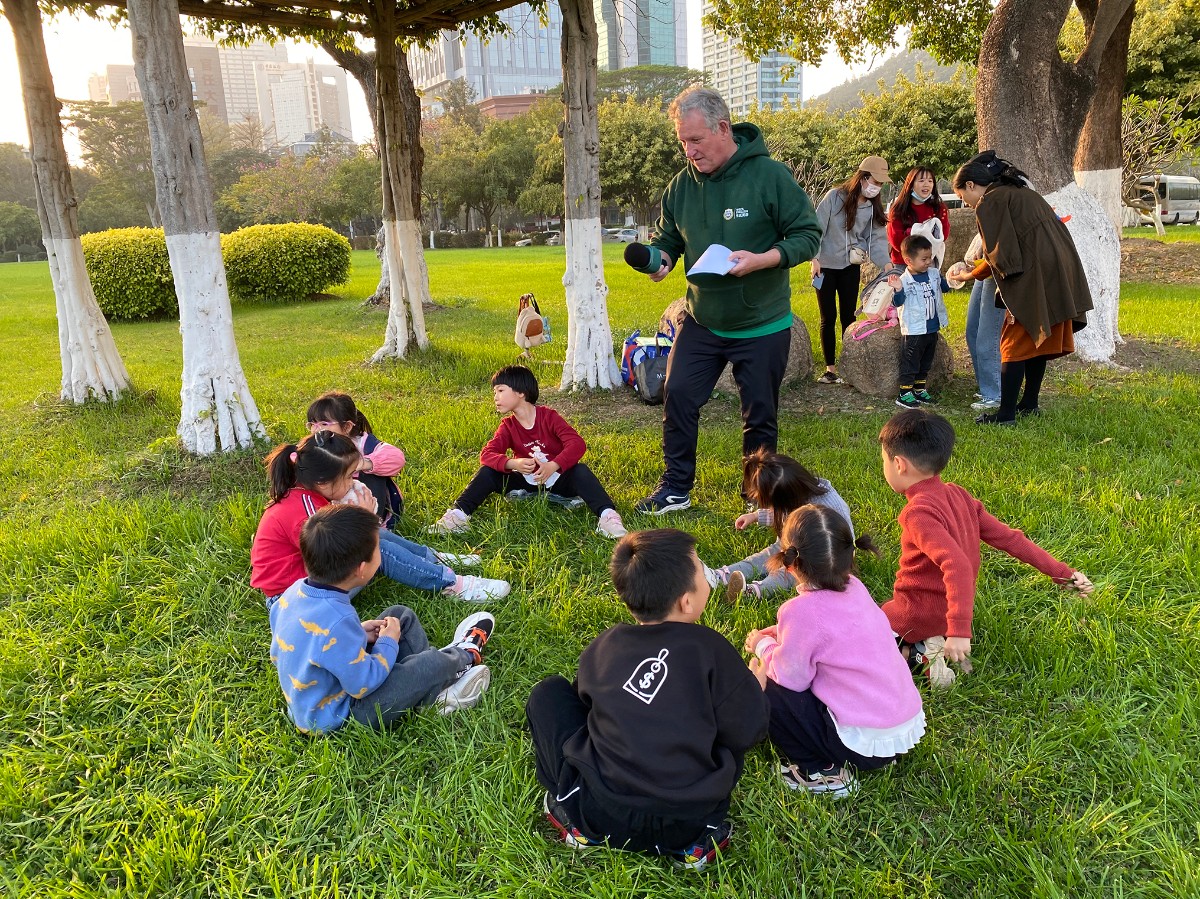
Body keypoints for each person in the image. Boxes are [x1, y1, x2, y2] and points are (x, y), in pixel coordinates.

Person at [525, 529, 769, 871]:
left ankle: (576, 821)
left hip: (600, 809)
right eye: (702, 571)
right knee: (728, 724)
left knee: (547, 693)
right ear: (687, 600)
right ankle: (696, 847)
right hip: (688, 821)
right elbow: (748, 731)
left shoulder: (605, 646)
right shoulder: (711, 649)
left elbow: (584, 705)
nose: (708, 577)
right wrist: (753, 692)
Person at [635, 86, 822, 515]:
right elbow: (668, 240)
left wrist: (763, 260)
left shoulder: (771, 176)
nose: (689, 151)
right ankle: (676, 488)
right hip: (702, 318)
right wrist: (660, 260)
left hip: (763, 323)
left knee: (759, 413)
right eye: (682, 141)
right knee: (678, 395)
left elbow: (807, 236)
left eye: (695, 140)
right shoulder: (680, 186)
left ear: (723, 128)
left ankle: (759, 496)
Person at [878, 409, 1095, 686]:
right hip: (946, 611)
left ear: (899, 464)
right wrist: (1064, 573)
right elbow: (1011, 539)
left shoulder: (917, 513)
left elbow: (956, 564)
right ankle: (929, 643)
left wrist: (959, 631)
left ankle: (919, 655)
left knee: (872, 627)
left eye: (883, 460)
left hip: (917, 611)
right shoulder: (958, 495)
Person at [744, 505, 924, 797]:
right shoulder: (855, 587)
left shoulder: (799, 611)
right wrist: (780, 634)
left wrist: (763, 646)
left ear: (790, 563)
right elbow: (830, 632)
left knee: (770, 689)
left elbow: (792, 679)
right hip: (899, 730)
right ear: (850, 555)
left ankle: (819, 771)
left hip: (861, 744)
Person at [269, 505, 496, 731]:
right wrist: (386, 643)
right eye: (379, 547)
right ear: (361, 569)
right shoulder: (337, 620)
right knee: (429, 663)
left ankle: (431, 691)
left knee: (399, 616)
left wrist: (357, 633)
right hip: (345, 715)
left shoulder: (294, 592)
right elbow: (362, 684)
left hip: (323, 694)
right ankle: (464, 656)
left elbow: (309, 641)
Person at [250, 431, 510, 606]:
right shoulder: (302, 511)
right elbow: (337, 557)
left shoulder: (306, 495)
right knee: (377, 547)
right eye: (350, 475)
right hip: (291, 601)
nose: (355, 480)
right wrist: (363, 519)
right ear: (323, 481)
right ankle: (452, 584)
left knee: (378, 536)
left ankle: (432, 558)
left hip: (306, 584)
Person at [948, 151, 1093, 425]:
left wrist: (971, 275)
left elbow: (1002, 256)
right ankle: (1029, 403)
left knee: (1012, 344)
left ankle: (1005, 415)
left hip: (1035, 273)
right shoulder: (1021, 192)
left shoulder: (991, 201)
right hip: (1060, 270)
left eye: (961, 196)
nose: (964, 203)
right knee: (1038, 340)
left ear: (970, 185)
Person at [428, 365, 627, 539]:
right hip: (525, 481)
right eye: (494, 392)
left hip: (558, 480)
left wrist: (553, 465)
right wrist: (513, 464)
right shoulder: (508, 425)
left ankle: (608, 516)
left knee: (581, 471)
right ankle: (458, 516)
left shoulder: (549, 417)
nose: (495, 397)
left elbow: (577, 444)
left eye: (500, 390)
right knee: (487, 472)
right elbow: (487, 454)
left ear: (521, 392)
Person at [713, 448, 861, 602]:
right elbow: (781, 514)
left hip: (817, 559)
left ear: (788, 500)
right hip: (794, 544)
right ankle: (721, 576)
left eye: (773, 506)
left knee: (787, 573)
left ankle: (753, 592)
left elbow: (844, 546)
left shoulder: (834, 508)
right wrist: (755, 516)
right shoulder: (795, 492)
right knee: (766, 556)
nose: (772, 511)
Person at [812, 156, 892, 384]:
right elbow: (817, 228)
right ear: (863, 177)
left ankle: (849, 367)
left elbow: (876, 238)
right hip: (825, 267)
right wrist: (814, 258)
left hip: (850, 268)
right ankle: (830, 369)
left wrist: (886, 263)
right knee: (828, 317)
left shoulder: (872, 206)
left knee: (849, 317)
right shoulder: (834, 197)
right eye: (875, 182)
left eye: (880, 184)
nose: (876, 187)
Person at [306, 392, 405, 528]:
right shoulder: (317, 447)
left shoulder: (364, 445)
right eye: (312, 424)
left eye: (324, 423)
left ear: (346, 426)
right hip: (330, 513)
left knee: (373, 475)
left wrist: (365, 463)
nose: (316, 429)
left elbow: (397, 458)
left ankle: (369, 524)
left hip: (366, 508)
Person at [887, 234, 951, 409]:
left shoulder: (934, 274)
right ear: (908, 260)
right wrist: (898, 289)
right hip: (914, 330)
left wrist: (953, 278)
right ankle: (904, 393)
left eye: (930, 257)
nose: (928, 261)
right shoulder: (904, 281)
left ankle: (919, 389)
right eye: (924, 259)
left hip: (931, 328)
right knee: (911, 362)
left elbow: (945, 288)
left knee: (926, 361)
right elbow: (898, 303)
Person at [887, 167, 951, 267]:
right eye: (921, 180)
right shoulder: (898, 209)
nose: (926, 184)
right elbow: (896, 240)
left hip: (928, 262)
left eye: (930, 181)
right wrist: (917, 232)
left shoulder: (939, 208)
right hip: (904, 263)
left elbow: (943, 235)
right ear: (911, 184)